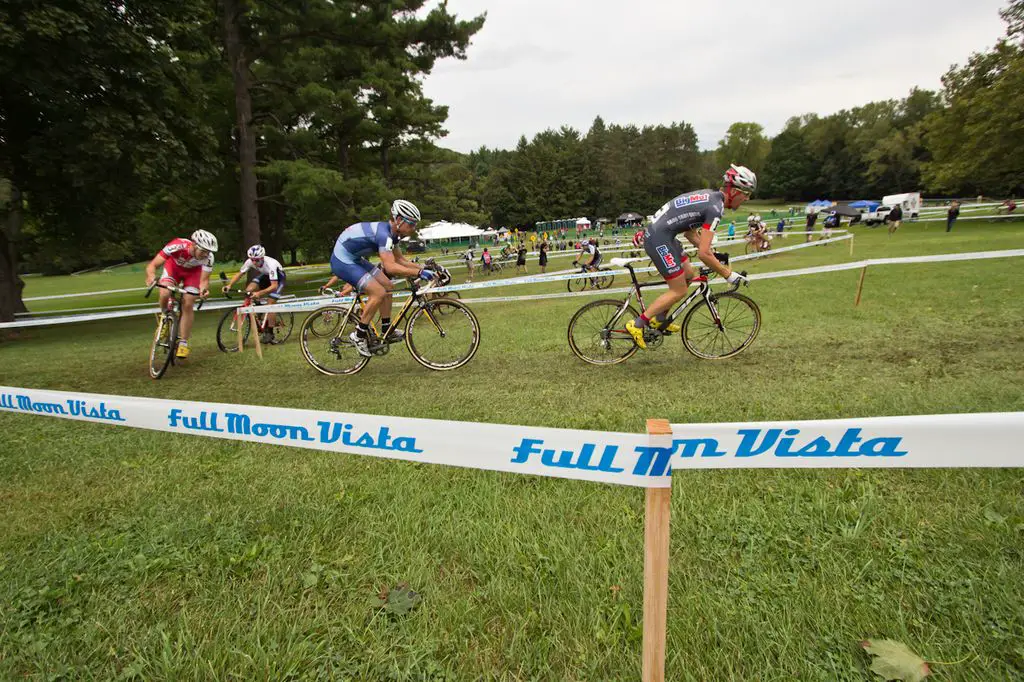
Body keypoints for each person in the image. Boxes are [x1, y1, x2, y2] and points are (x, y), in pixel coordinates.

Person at [626, 165, 755, 348]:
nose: (747, 198)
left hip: (664, 235)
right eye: (746, 193)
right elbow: (703, 253)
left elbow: (690, 235)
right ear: (734, 191)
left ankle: (660, 319)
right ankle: (638, 323)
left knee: (689, 273)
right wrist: (728, 274)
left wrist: (714, 255)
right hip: (659, 238)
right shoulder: (715, 208)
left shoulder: (709, 196)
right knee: (679, 290)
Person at [329, 199, 438, 357]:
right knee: (378, 292)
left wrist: (424, 268)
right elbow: (390, 267)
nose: (414, 228)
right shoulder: (384, 235)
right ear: (399, 220)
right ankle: (358, 336)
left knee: (388, 286)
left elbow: (400, 261)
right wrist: (419, 273)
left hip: (355, 259)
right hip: (342, 260)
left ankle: (387, 329)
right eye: (411, 223)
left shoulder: (393, 235)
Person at [145, 229, 218, 359]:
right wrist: (151, 277)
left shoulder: (209, 258)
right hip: (173, 269)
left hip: (193, 274)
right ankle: (164, 316)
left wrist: (204, 290)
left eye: (208, 252)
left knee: (189, 302)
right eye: (203, 251)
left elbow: (204, 280)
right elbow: (153, 265)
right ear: (194, 245)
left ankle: (183, 342)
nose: (205, 254)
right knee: (165, 291)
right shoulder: (177, 245)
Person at [222, 245, 287, 344]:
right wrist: (229, 285)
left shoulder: (271, 264)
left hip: (278, 279)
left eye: (257, 260)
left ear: (262, 258)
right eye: (252, 260)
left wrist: (259, 293)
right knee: (248, 290)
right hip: (265, 276)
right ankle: (259, 310)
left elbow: (274, 286)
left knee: (270, 305)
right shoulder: (250, 262)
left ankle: (270, 332)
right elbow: (240, 274)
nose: (254, 263)